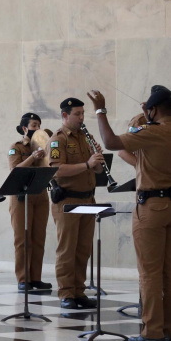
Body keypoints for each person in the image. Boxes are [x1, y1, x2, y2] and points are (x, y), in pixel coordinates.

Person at [88, 86, 171, 341]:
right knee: (169, 273)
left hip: (152, 207)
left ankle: (152, 333)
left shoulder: (153, 132)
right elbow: (138, 158)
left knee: (149, 273)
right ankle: (168, 329)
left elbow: (112, 142)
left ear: (154, 110)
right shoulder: (158, 131)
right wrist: (146, 116)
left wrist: (100, 110)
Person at [49, 97, 103, 310]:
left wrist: (97, 161)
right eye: (77, 114)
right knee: (67, 249)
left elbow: (96, 170)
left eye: (83, 114)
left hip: (88, 198)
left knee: (83, 249)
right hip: (68, 200)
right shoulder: (58, 139)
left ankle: (78, 291)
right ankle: (66, 293)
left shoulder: (85, 137)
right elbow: (57, 169)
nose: (82, 118)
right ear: (65, 115)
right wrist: (87, 163)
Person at [7, 112, 52, 292]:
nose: (37, 129)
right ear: (25, 128)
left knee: (38, 238)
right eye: (34, 125)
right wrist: (33, 157)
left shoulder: (45, 145)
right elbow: (14, 170)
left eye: (39, 125)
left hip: (40, 194)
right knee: (22, 239)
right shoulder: (16, 147)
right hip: (21, 196)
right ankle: (23, 278)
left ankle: (36, 278)